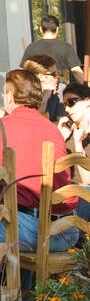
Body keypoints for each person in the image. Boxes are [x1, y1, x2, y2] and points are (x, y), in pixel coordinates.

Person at [0, 68, 80, 283]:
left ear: (10, 97)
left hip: (32, 229)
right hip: (67, 231)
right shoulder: (52, 129)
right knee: (14, 223)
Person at [55, 83, 90, 223]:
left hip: (82, 197)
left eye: (71, 103)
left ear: (87, 101)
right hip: (65, 193)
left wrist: (78, 144)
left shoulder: (77, 139)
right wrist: (59, 139)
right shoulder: (65, 131)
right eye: (64, 104)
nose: (67, 109)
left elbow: (87, 182)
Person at [21, 14, 83, 84]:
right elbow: (76, 72)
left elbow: (23, 71)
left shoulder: (31, 47)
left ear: (41, 29)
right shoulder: (66, 47)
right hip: (61, 87)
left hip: (39, 87)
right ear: (57, 29)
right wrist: (85, 89)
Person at [21, 53, 63, 123]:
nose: (58, 77)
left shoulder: (60, 90)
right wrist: (45, 97)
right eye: (54, 74)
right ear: (40, 77)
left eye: (58, 73)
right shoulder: (23, 95)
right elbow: (30, 122)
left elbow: (61, 120)